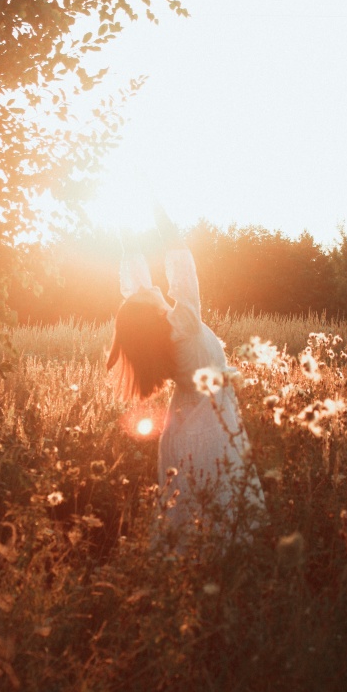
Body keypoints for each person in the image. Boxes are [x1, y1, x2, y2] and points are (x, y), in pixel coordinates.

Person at [107, 206, 266, 547]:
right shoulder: (183, 325)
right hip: (209, 423)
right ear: (148, 311)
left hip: (185, 420)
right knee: (219, 507)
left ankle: (186, 578)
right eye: (143, 292)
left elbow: (134, 279)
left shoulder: (157, 327)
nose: (144, 287)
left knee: (190, 513)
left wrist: (121, 216)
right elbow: (183, 267)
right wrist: (155, 205)